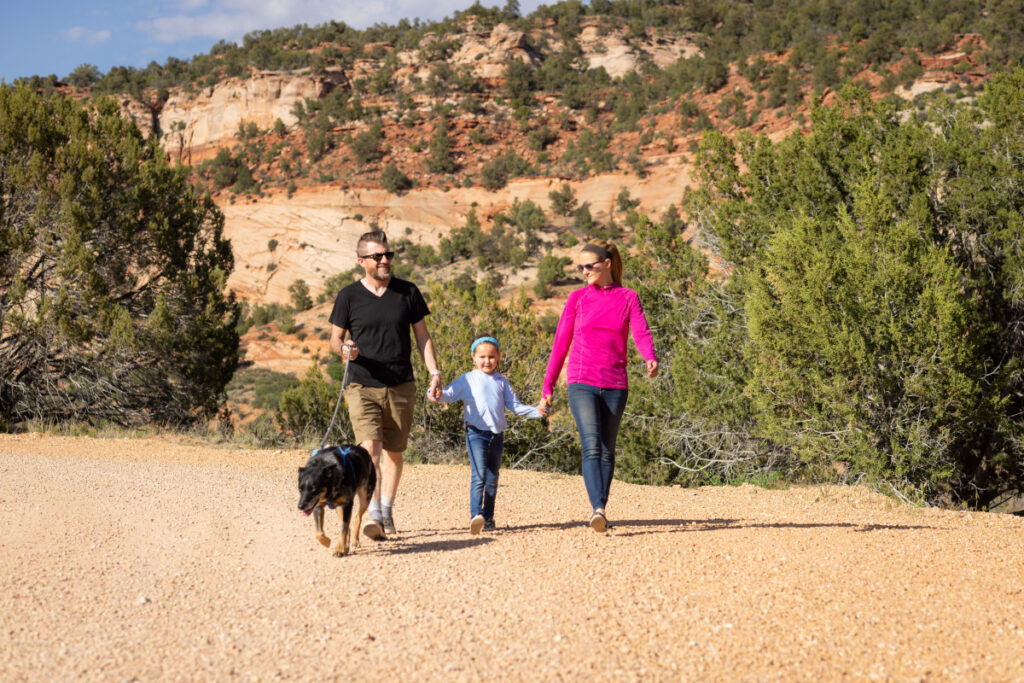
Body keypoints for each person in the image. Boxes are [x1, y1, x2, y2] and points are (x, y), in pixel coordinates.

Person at [329, 230, 443, 540]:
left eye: (388, 254)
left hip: (401, 384)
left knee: (394, 452)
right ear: (361, 261)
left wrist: (434, 371)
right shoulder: (348, 296)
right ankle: (375, 515)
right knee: (370, 450)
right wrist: (344, 349)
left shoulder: (408, 292)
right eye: (377, 256)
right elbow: (335, 338)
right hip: (362, 385)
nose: (385, 260)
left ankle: (387, 510)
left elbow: (423, 337)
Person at [538, 239, 658, 533]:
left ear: (607, 264)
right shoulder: (577, 298)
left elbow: (641, 331)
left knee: (607, 448)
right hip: (582, 381)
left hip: (615, 382)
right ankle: (598, 509)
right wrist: (548, 386)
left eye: (588, 266)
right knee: (592, 444)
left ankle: (600, 509)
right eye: (580, 267)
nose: (584, 272)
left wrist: (650, 357)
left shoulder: (628, 297)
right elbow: (560, 343)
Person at [438, 335, 547, 534]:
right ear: (473, 357)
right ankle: (475, 515)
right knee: (479, 474)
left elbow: (515, 406)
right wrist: (435, 393)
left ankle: (488, 518)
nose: (486, 361)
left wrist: (537, 411)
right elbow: (448, 394)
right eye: (482, 357)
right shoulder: (468, 379)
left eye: (491, 357)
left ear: (498, 357)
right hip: (475, 434)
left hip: (496, 435)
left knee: (492, 478)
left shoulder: (501, 382)